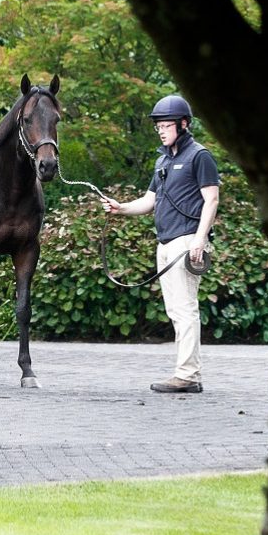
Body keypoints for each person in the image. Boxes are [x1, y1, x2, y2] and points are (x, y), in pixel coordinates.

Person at [102, 94, 220, 394]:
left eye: (166, 125)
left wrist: (200, 238)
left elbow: (212, 199)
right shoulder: (163, 160)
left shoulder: (200, 156)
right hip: (165, 242)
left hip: (186, 240)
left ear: (184, 124)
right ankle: (187, 373)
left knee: (185, 310)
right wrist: (120, 208)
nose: (162, 130)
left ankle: (188, 376)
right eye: (159, 126)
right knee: (176, 311)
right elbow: (149, 201)